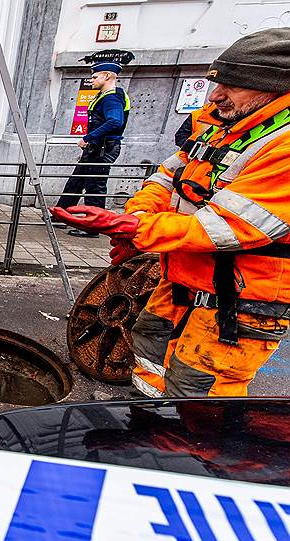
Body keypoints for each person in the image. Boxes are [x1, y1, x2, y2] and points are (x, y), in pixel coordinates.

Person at [51, 28, 290, 398]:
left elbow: (228, 228)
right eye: (217, 83)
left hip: (237, 302)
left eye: (231, 85)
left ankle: (186, 448)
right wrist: (134, 221)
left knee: (197, 388)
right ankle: (146, 424)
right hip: (181, 279)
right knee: (147, 349)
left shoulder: (282, 145)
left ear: (273, 87)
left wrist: (134, 227)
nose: (215, 95)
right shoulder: (217, 124)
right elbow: (167, 177)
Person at [56, 62, 131, 237]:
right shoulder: (105, 95)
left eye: (95, 77)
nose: (92, 80)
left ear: (107, 76)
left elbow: (115, 121)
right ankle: (61, 216)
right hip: (97, 148)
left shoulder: (111, 98)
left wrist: (88, 137)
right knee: (76, 182)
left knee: (95, 187)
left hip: (103, 148)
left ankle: (93, 227)